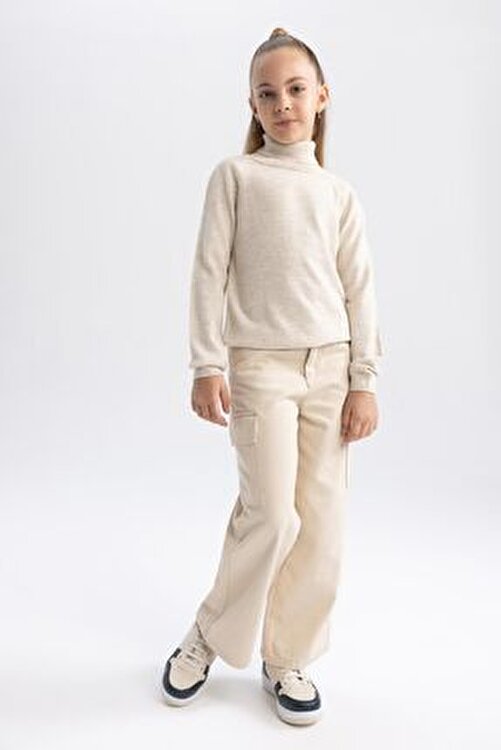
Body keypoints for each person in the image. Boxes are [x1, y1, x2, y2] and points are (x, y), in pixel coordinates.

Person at [161, 27, 384, 726]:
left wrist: (364, 378)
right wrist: (206, 364)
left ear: (321, 97)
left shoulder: (338, 193)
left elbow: (360, 288)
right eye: (267, 93)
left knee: (320, 522)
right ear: (252, 106)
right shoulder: (236, 177)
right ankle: (207, 633)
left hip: (329, 369)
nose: (282, 102)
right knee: (271, 515)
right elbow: (208, 273)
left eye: (295, 89)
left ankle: (287, 657)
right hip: (260, 368)